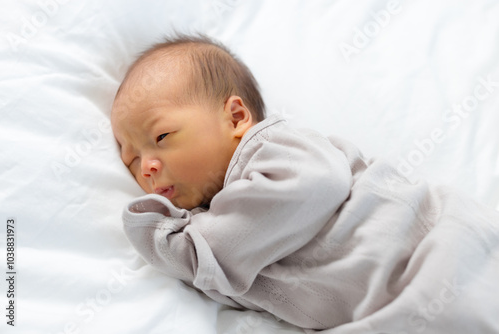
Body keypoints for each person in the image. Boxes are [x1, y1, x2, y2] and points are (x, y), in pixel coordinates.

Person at [111, 34, 499, 333]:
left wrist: (176, 243)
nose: (147, 166)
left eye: (161, 137)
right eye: (131, 159)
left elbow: (319, 183)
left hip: (444, 254)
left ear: (236, 117)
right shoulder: (217, 219)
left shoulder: (274, 149)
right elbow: (228, 282)